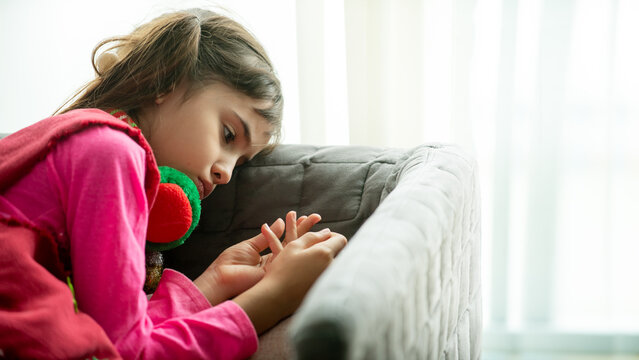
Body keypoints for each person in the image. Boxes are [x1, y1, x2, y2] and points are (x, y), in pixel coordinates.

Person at [0, 8, 347, 359]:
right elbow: (128, 352)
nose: (226, 173)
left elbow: (118, 331)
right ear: (164, 81)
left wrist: (216, 282)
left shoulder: (87, 146)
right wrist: (274, 296)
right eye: (228, 134)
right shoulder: (110, 152)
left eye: (240, 163)